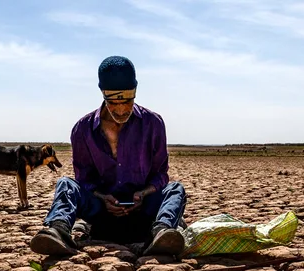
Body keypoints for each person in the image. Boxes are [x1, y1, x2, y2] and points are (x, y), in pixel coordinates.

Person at [31, 56, 187, 257]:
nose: (121, 110)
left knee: (175, 189)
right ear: (103, 94)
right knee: (66, 184)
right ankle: (58, 230)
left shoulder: (153, 124)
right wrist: (103, 197)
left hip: (143, 212)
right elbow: (84, 179)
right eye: (113, 102)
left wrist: (143, 194)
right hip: (102, 212)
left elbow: (160, 175)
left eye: (128, 101)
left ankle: (162, 233)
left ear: (135, 92)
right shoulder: (83, 130)